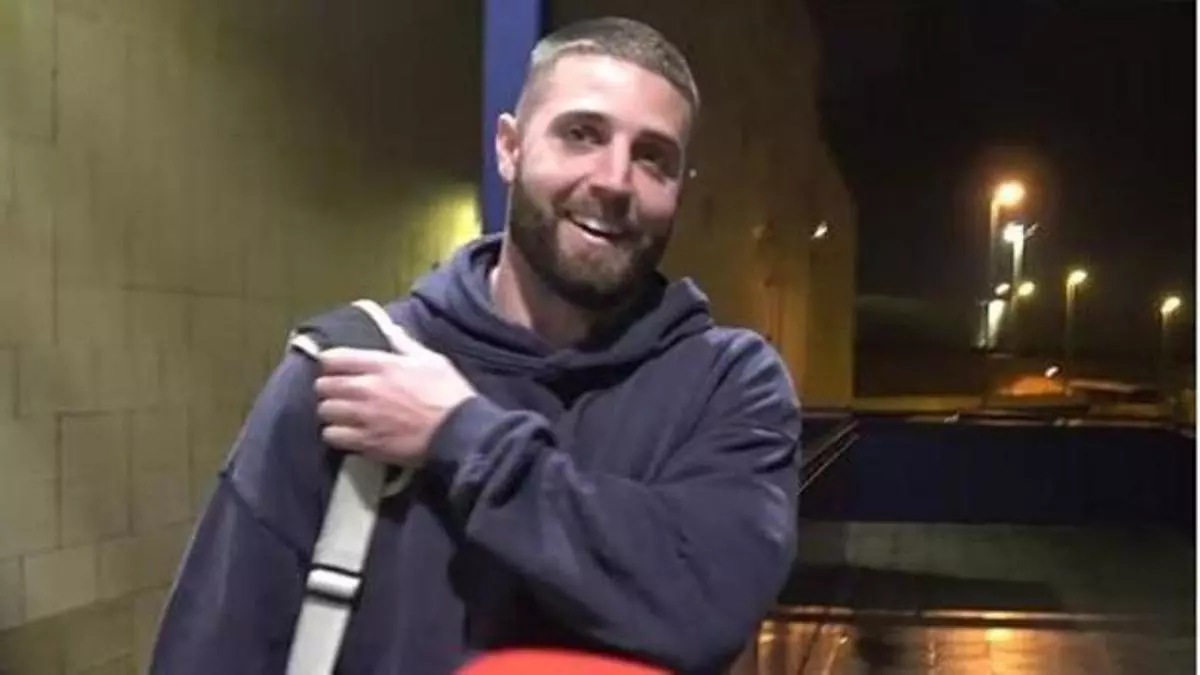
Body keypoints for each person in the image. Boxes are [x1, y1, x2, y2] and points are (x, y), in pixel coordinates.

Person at [150, 16, 801, 675]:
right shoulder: (352, 369)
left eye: (653, 156)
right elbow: (215, 649)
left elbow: (704, 602)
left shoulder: (727, 385)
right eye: (581, 134)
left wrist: (459, 435)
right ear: (510, 148)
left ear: (679, 190)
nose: (614, 179)